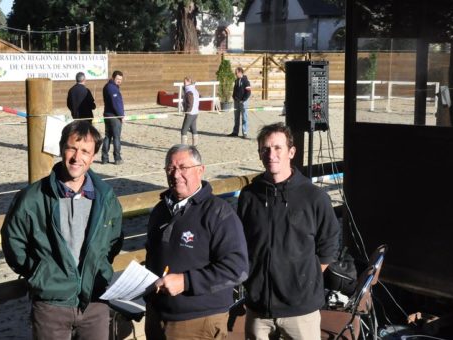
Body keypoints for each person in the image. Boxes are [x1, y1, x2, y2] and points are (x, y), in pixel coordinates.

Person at [1, 120, 123, 340]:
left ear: (93, 156)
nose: (77, 157)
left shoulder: (105, 197)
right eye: (72, 148)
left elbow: (114, 241)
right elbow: (14, 243)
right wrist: (41, 272)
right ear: (61, 149)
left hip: (95, 302)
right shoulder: (33, 198)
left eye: (85, 151)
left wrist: (97, 268)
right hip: (51, 305)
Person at [237, 122, 340, 340]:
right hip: (258, 310)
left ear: (291, 152)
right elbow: (242, 243)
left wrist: (301, 280)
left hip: (301, 312)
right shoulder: (249, 196)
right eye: (265, 149)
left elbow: (329, 244)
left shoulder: (314, 197)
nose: (271, 154)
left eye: (277, 148)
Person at [144, 144, 249, 340]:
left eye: (183, 168)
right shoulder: (160, 210)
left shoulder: (218, 213)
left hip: (198, 322)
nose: (176, 175)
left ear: (200, 170)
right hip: (157, 315)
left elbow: (238, 269)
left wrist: (186, 282)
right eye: (170, 168)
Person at [101, 70, 125, 165]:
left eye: (121, 79)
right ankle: (117, 158)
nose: (119, 81)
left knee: (107, 137)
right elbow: (116, 104)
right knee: (116, 137)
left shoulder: (108, 86)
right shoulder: (112, 88)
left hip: (107, 115)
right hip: (114, 116)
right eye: (118, 79)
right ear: (113, 77)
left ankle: (104, 158)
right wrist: (121, 115)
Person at [228, 67, 251, 139]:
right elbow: (235, 90)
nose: (235, 74)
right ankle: (235, 132)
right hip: (236, 101)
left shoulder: (246, 81)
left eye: (236, 73)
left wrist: (243, 100)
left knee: (244, 117)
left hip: (243, 102)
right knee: (236, 117)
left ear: (240, 72)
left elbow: (248, 92)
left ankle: (245, 133)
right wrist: (234, 97)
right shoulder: (236, 80)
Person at [180, 76, 200, 146]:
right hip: (195, 113)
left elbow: (190, 103)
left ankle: (183, 147)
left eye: (185, 82)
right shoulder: (194, 90)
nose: (184, 83)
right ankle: (195, 145)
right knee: (193, 129)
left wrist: (187, 110)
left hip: (190, 113)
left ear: (189, 82)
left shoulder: (189, 91)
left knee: (183, 130)